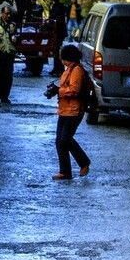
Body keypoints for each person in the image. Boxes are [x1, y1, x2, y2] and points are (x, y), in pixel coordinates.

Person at [52, 44, 91, 181]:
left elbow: (74, 89)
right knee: (60, 141)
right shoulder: (68, 69)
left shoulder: (76, 70)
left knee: (65, 139)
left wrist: (59, 91)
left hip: (74, 110)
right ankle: (65, 172)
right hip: (64, 109)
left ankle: (83, 162)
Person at [0, 5, 17, 104]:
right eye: (6, 13)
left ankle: (5, 96)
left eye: (10, 14)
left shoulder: (13, 25)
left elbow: (17, 37)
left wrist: (15, 39)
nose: (8, 16)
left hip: (9, 53)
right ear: (2, 13)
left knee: (8, 77)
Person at [48, 0, 67, 76]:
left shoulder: (60, 7)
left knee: (57, 50)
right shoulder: (55, 6)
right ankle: (56, 68)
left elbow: (59, 18)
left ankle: (59, 69)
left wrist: (54, 20)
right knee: (55, 50)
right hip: (55, 31)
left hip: (59, 31)